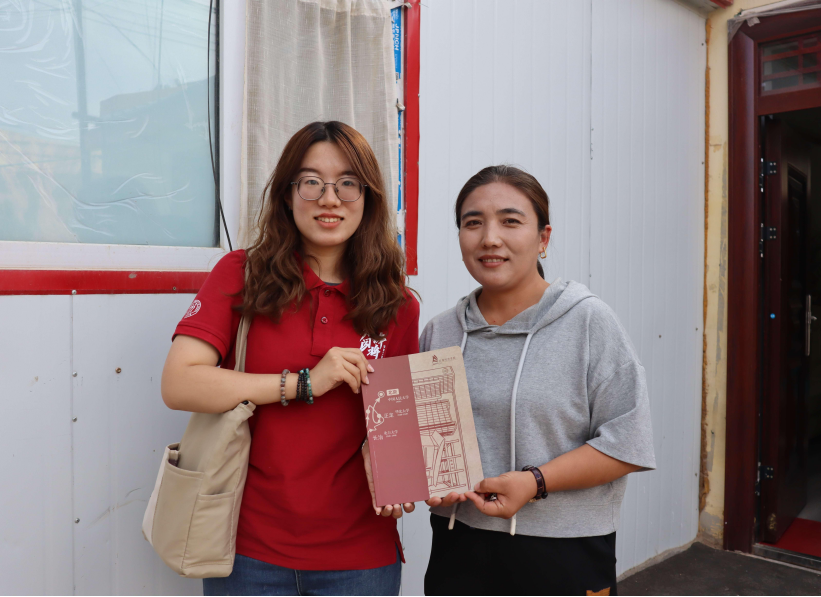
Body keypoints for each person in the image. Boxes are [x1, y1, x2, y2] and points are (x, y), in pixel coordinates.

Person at [161, 121, 418, 596]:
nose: (329, 198)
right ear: (286, 194)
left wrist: (395, 465)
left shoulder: (397, 304)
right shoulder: (242, 275)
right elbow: (180, 383)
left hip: (361, 556)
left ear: (369, 197)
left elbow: (397, 424)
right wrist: (302, 383)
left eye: (347, 183)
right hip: (246, 550)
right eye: (311, 182)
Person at [420, 166, 656, 596]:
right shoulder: (441, 332)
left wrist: (535, 481)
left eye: (510, 221)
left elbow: (629, 444)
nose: (490, 238)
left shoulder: (588, 322)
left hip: (565, 550)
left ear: (543, 238)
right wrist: (423, 478)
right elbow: (424, 441)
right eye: (473, 223)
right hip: (458, 545)